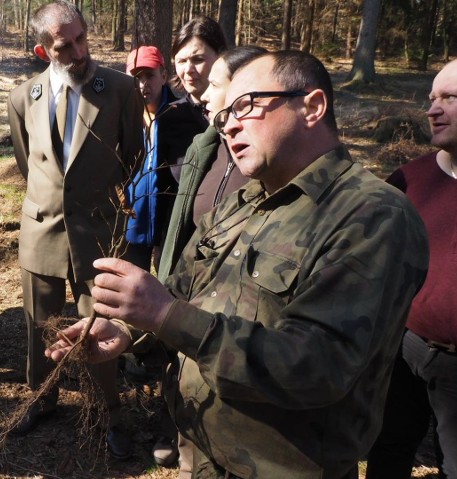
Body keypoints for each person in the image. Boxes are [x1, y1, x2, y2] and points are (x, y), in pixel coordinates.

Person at [45, 51, 430, 478]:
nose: (227, 124)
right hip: (203, 450)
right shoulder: (243, 203)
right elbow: (181, 289)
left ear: (312, 107)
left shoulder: (372, 216)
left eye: (245, 106)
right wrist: (128, 328)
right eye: (225, 112)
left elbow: (317, 366)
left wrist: (163, 314)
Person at [6, 1, 143, 459]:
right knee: (38, 324)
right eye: (67, 45)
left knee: (99, 325)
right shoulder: (23, 96)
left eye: (83, 38)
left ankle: (109, 412)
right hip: (41, 228)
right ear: (44, 50)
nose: (81, 51)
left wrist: (108, 205)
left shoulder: (120, 89)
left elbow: (135, 157)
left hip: (100, 231)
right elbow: (31, 164)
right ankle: (41, 397)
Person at [153, 45, 267, 475]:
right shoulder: (207, 145)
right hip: (193, 327)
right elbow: (190, 239)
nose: (198, 89)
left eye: (214, 83)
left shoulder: (262, 166)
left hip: (238, 359)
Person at [365, 54, 457, 479]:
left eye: (450, 97)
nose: (432, 108)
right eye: (431, 97)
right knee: (387, 450)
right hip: (404, 350)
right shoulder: (408, 180)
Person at [123, 45, 205, 271]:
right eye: (136, 77)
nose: (143, 83)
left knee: (164, 287)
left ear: (164, 75)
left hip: (169, 224)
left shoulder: (181, 115)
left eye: (149, 75)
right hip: (133, 222)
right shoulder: (123, 117)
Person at [171, 17, 226, 109]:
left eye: (198, 59)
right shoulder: (169, 117)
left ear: (220, 57)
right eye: (182, 61)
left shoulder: (241, 112)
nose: (188, 70)